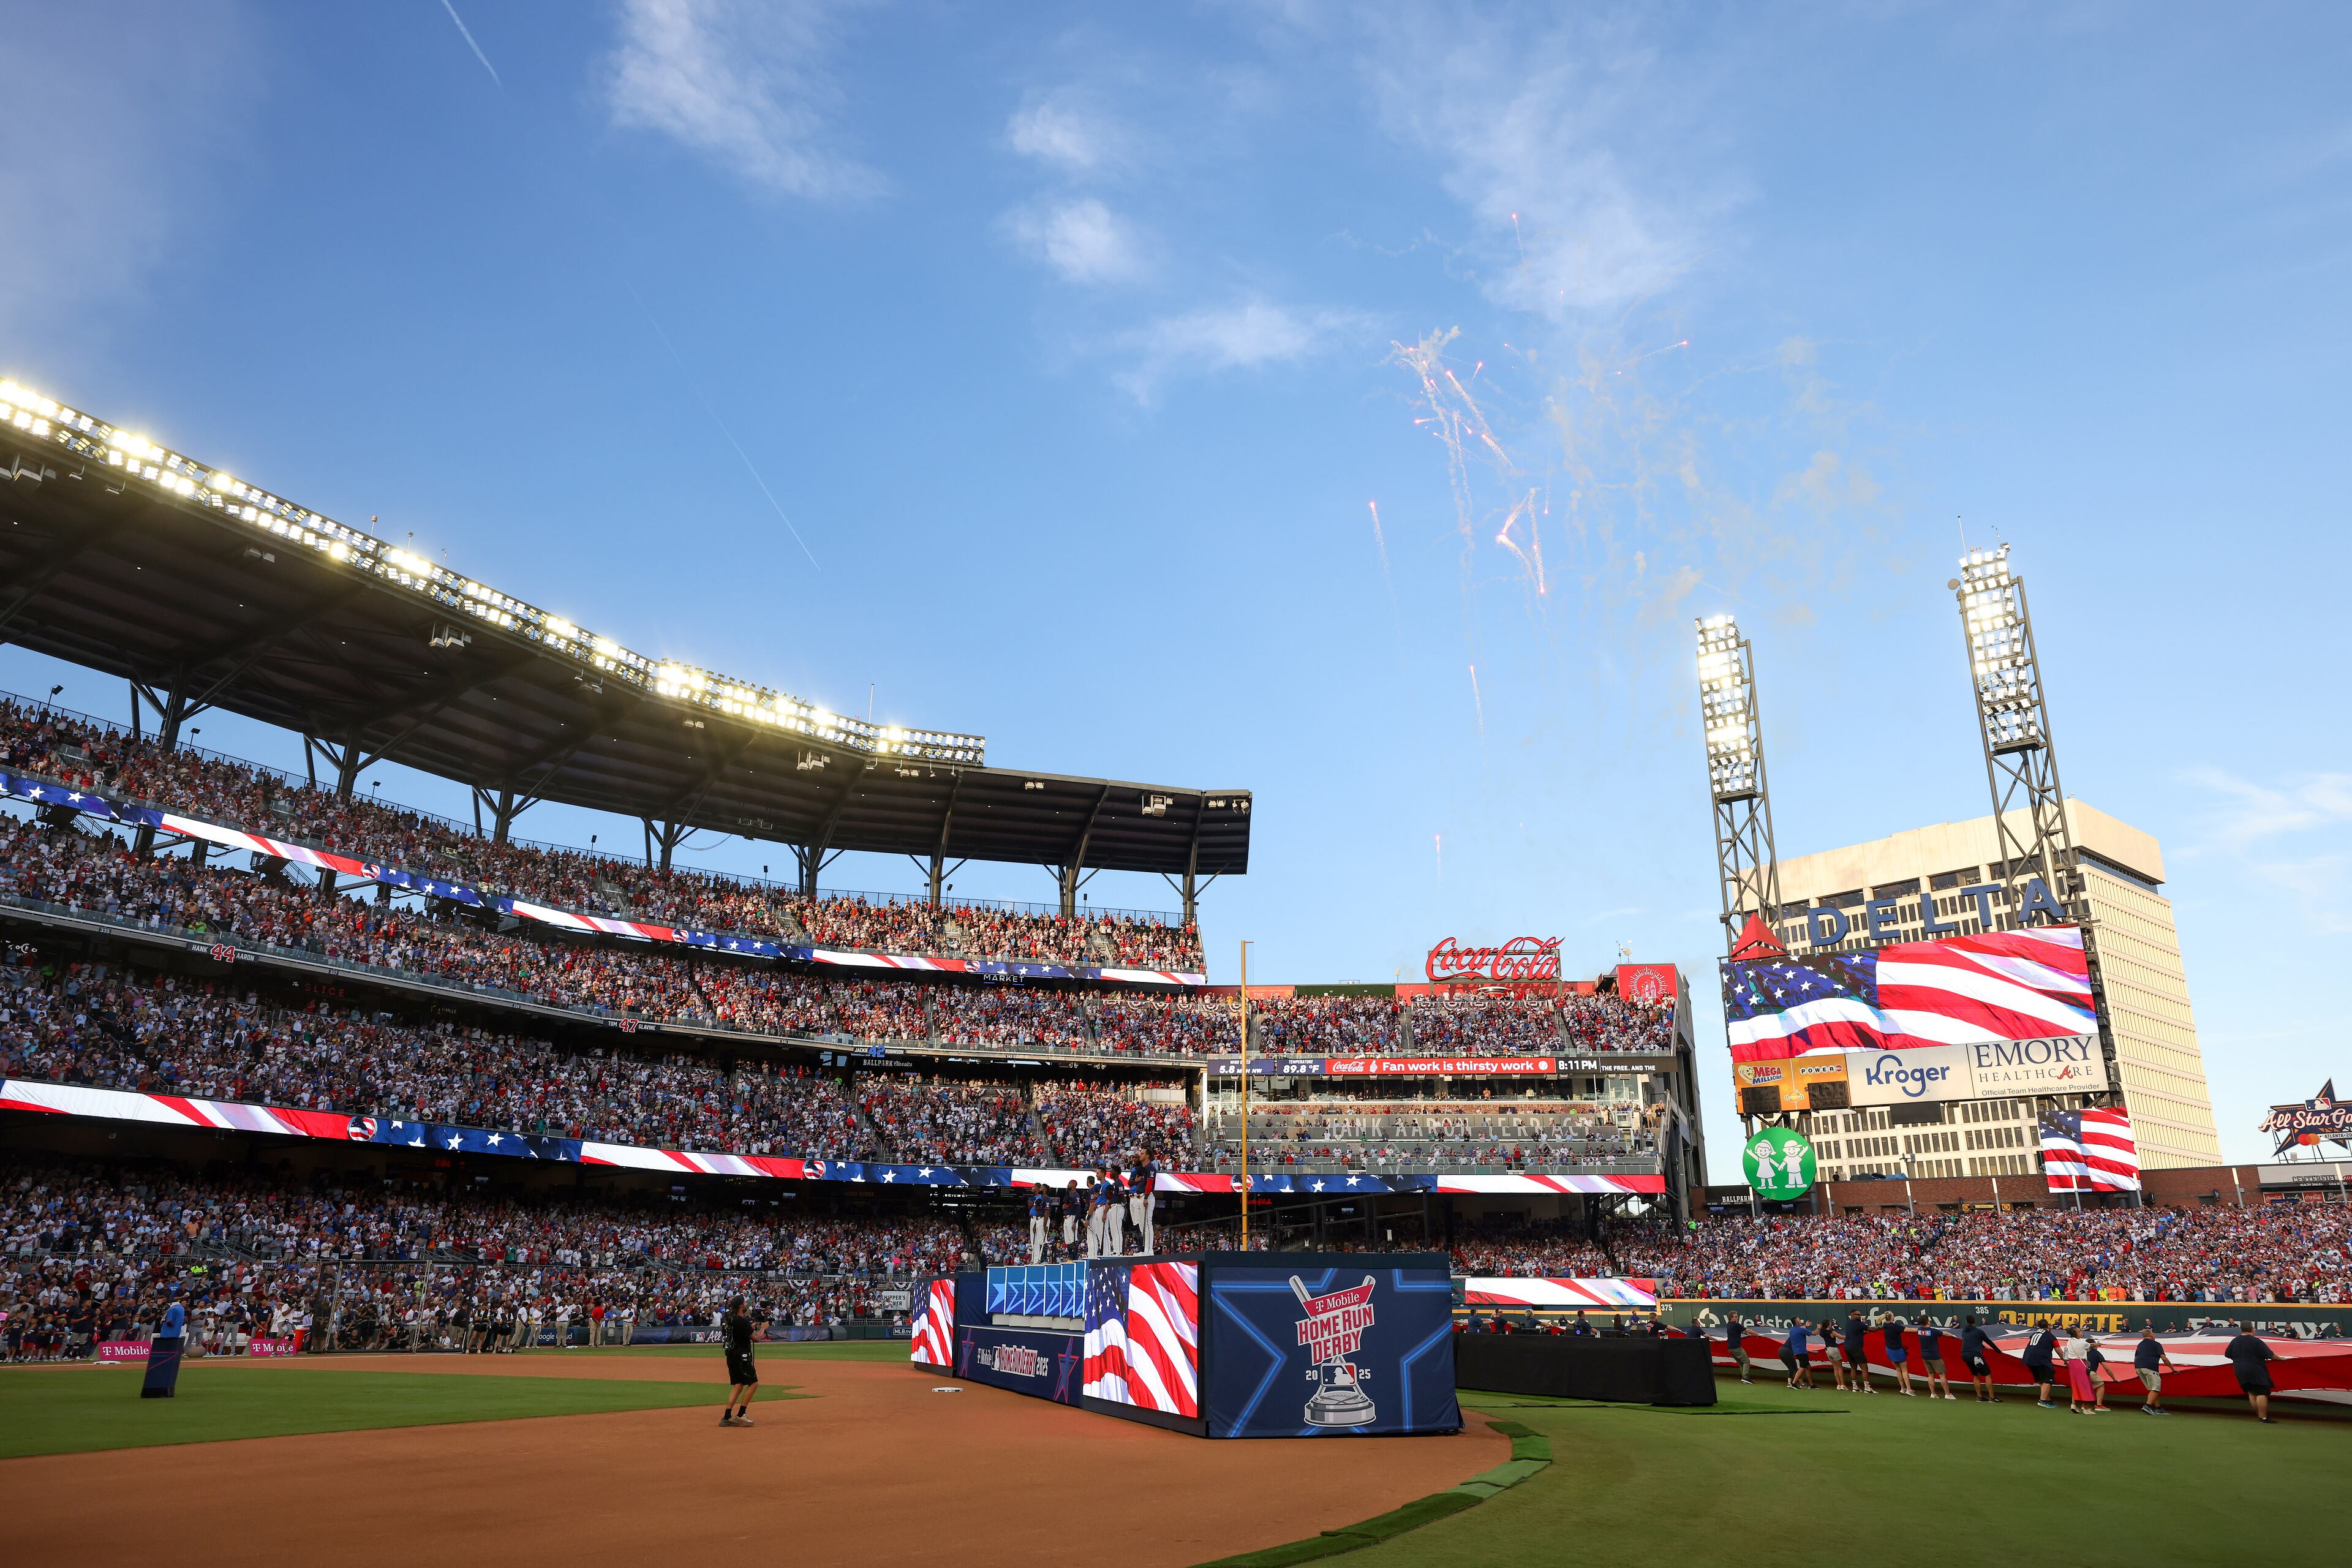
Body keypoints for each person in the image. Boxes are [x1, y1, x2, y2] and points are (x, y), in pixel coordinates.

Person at [2223, 1322, 2277, 1423]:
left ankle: (2260, 1416)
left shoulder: (2235, 1341)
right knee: (2262, 1392)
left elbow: (2227, 1354)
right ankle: (2264, 1418)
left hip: (2239, 1369)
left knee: (2251, 1392)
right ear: (2253, 1329)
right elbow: (2271, 1355)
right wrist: (2282, 1359)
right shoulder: (2256, 1341)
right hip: (2255, 1369)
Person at [720, 1296, 760, 1428]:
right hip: (741, 1357)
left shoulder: (730, 1320)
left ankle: (727, 1417)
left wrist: (752, 1326)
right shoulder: (741, 1321)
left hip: (731, 1356)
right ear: (741, 1307)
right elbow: (756, 1338)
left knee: (738, 1386)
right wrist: (763, 1328)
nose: (746, 1304)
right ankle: (741, 1414)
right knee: (754, 1384)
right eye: (744, 1302)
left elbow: (742, 1331)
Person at [2133, 1324, 2177, 1415]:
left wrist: (2137, 1369)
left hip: (2139, 1367)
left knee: (2152, 1388)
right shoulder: (2156, 1344)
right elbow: (2164, 1358)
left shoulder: (2140, 1345)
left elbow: (2136, 1356)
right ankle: (2148, 1406)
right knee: (2156, 1388)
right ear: (2152, 1335)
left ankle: (2158, 1408)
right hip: (2150, 1368)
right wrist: (2172, 1368)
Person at [1959, 1315, 1997, 1403]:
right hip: (1975, 1356)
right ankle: (1992, 1398)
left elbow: (1971, 1341)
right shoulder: (1979, 1331)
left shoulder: (1964, 1331)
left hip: (1965, 1355)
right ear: (1975, 1321)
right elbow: (1989, 1342)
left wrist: (1982, 1346)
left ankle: (1979, 1397)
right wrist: (1998, 1351)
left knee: (1976, 1375)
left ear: (1966, 1322)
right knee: (1987, 1374)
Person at [2022, 1319, 2059, 1408]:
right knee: (2048, 1379)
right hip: (2041, 1359)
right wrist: (2067, 1361)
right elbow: (2059, 1351)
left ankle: (2047, 1400)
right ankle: (2042, 1401)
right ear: (2049, 1326)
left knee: (2043, 1380)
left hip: (2028, 1358)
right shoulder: (2051, 1336)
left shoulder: (2034, 1334)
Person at [1128, 1148, 1158, 1256]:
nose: (1140, 1155)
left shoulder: (1150, 1168)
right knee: (1141, 1226)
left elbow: (1150, 1184)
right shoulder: (1142, 1168)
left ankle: (1149, 1250)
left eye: (1142, 1153)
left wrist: (1146, 1197)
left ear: (1148, 1156)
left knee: (1147, 1224)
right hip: (1139, 1196)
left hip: (1147, 1197)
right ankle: (1144, 1250)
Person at [2060, 1327, 2096, 1413]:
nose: (2081, 1333)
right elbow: (2090, 1346)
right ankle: (2086, 1408)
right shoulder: (2082, 1342)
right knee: (2085, 1385)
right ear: (2076, 1334)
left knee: (2076, 1385)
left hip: (2072, 1365)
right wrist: (2097, 1344)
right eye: (2079, 1332)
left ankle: (2074, 1404)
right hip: (2081, 1364)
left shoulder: (2069, 1342)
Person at [1918, 1319, 1954, 1401]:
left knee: (1930, 1374)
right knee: (1942, 1374)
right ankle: (1947, 1394)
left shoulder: (1920, 1330)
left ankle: (1933, 1394)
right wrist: (1953, 1335)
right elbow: (1944, 1333)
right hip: (1934, 1356)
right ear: (1927, 1322)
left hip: (1924, 1356)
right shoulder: (1932, 1331)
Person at [1844, 1310, 1872, 1394]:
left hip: (1847, 1347)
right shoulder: (1859, 1324)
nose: (1860, 1316)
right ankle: (1867, 1387)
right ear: (1853, 1315)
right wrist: (1881, 1327)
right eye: (1858, 1315)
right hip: (1856, 1348)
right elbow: (1872, 1329)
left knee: (1853, 1367)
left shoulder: (1848, 1323)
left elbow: (1858, 1332)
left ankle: (1855, 1387)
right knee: (1864, 1367)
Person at [1886, 1314, 1915, 1396]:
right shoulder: (1895, 1326)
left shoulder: (1885, 1325)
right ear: (1892, 1318)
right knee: (1904, 1370)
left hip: (1889, 1350)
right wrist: (1919, 1329)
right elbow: (1910, 1330)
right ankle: (1909, 1390)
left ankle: (1903, 1389)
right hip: (1897, 1350)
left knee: (1898, 1370)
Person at [1723, 1311, 1754, 1384]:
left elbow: (1740, 1331)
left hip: (1730, 1348)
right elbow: (1747, 1330)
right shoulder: (1736, 1325)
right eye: (1736, 1316)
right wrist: (1757, 1334)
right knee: (1746, 1361)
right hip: (1736, 1347)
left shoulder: (1729, 1324)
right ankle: (1745, 1377)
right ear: (1732, 1318)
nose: (1737, 1317)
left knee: (1741, 1363)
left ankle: (1745, 1378)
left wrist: (1746, 1333)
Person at [1784, 1318, 1812, 1389]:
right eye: (1799, 1320)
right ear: (1796, 1322)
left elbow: (1800, 1329)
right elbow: (1814, 1333)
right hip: (1800, 1352)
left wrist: (1806, 1326)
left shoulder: (1792, 1330)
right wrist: (1819, 1328)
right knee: (1801, 1368)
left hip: (1796, 1352)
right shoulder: (1799, 1331)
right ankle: (1793, 1383)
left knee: (1807, 1366)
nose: (1800, 1321)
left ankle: (1811, 1384)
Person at [1028, 1186, 1049, 1265]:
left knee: (1040, 1240)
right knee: (1034, 1240)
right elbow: (1034, 1209)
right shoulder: (1034, 1198)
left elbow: (1046, 1211)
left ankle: (1041, 1259)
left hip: (1040, 1219)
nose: (1032, 1187)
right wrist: (1029, 1207)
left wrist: (1044, 1224)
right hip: (1034, 1218)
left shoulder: (1042, 1197)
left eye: (1034, 1186)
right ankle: (1034, 1259)